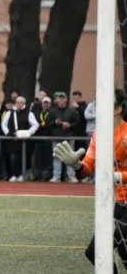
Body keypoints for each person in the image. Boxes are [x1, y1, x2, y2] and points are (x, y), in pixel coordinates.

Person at [53, 89, 127, 273]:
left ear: (118, 109)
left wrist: (119, 176)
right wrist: (76, 165)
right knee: (94, 252)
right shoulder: (98, 135)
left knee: (119, 246)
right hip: (119, 203)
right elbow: (86, 169)